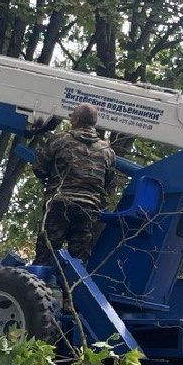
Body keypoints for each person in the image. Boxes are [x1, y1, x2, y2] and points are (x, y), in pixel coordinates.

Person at [32, 103, 117, 266]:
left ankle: (35, 289)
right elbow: (109, 188)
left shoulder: (59, 140)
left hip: (59, 204)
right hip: (88, 209)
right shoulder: (107, 151)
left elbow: (39, 169)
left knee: (45, 256)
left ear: (76, 119)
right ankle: (72, 290)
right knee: (78, 264)